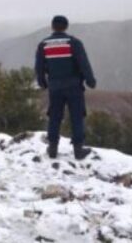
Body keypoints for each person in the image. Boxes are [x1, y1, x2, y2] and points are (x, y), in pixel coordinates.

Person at [35, 15, 96, 160]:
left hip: (55, 87)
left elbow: (39, 66)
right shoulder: (74, 43)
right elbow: (83, 63)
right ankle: (78, 150)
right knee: (77, 116)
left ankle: (52, 148)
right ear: (66, 27)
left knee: (55, 116)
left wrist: (42, 82)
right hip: (74, 86)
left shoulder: (44, 44)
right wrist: (90, 80)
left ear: (52, 26)